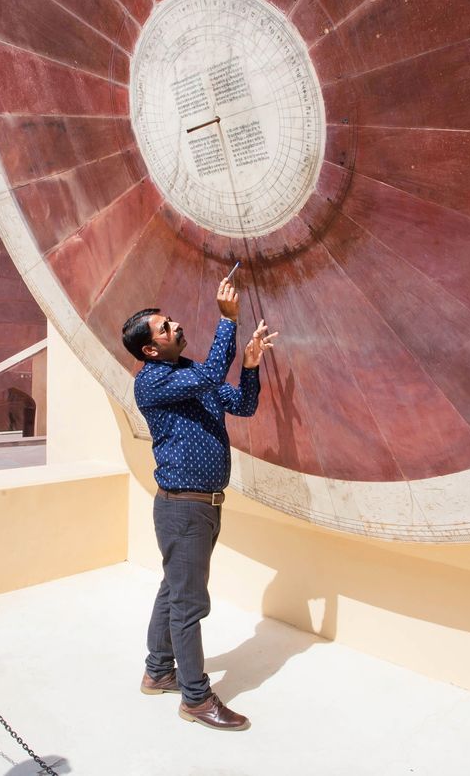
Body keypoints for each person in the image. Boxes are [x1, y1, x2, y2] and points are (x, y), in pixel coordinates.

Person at [122, 277, 277, 732]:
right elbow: (212, 376)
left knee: (174, 590)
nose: (176, 326)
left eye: (169, 322)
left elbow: (242, 405)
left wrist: (248, 366)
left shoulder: (189, 375)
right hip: (184, 508)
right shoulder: (153, 382)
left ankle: (158, 671)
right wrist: (228, 320)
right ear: (150, 350)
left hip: (201, 507)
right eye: (165, 328)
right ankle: (195, 698)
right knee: (189, 604)